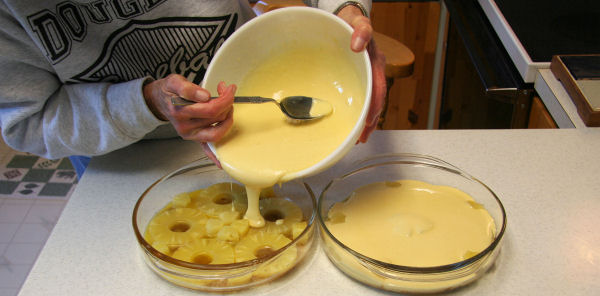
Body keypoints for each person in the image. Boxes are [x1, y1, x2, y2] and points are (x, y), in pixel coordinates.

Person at [0, 0, 385, 177]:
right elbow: (29, 120)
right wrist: (144, 104)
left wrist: (343, 9)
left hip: (249, 121)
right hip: (120, 160)